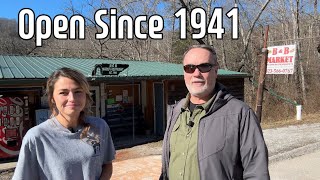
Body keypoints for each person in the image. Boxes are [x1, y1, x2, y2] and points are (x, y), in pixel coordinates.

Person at [160, 44, 270, 180]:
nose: (196, 74)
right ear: (184, 73)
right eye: (190, 68)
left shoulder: (240, 114)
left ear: (216, 70)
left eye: (204, 66)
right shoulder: (176, 112)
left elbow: (257, 173)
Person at [13, 67, 115, 180]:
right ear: (52, 98)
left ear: (86, 95)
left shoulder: (100, 127)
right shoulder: (36, 137)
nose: (72, 98)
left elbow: (107, 164)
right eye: (63, 93)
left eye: (78, 91)